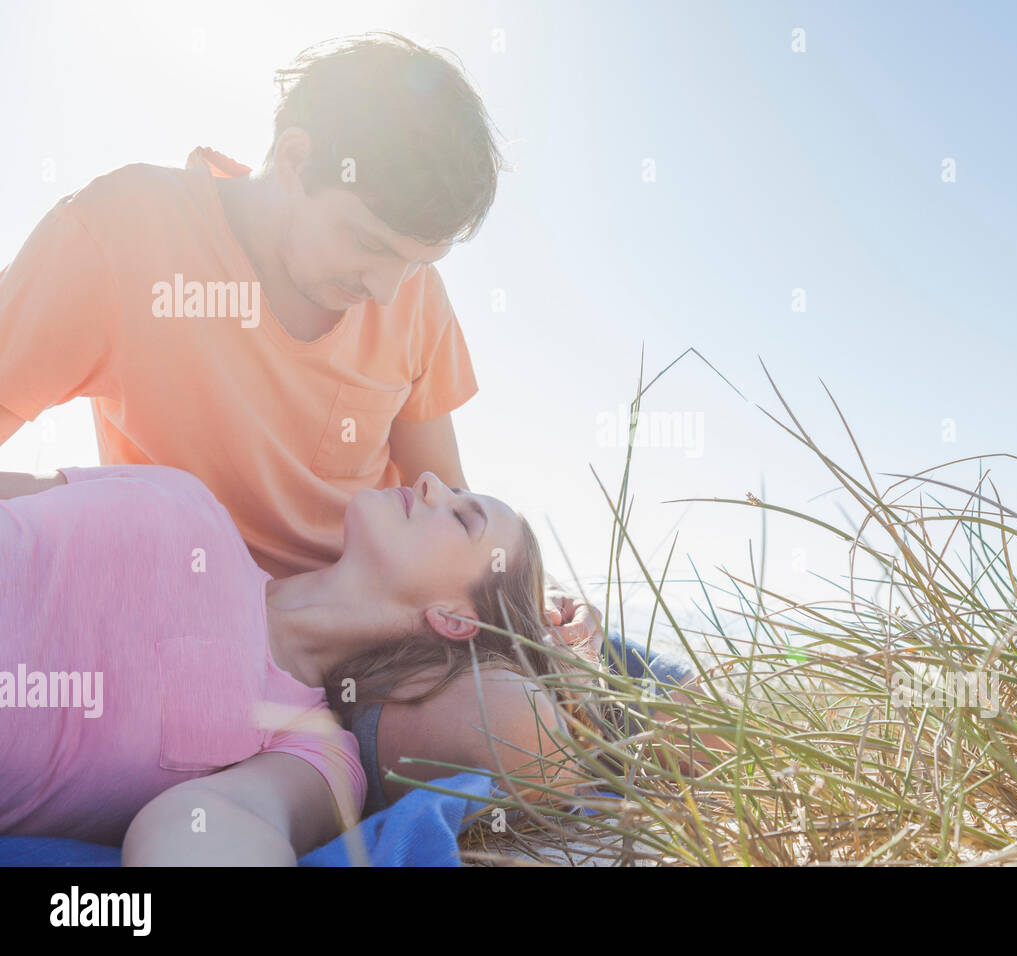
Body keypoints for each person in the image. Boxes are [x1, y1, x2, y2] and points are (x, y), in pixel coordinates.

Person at [0, 31, 598, 642]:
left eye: (419, 262)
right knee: (509, 722)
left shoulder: (415, 296)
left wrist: (530, 600)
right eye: (369, 244)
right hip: (256, 651)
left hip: (409, 628)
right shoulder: (121, 229)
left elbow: (448, 490)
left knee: (664, 693)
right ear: (293, 160)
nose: (390, 292)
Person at [0, 465, 593, 866]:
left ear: (455, 618)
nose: (432, 480)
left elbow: (203, 826)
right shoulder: (188, 501)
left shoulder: (311, 754)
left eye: (464, 518)